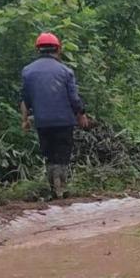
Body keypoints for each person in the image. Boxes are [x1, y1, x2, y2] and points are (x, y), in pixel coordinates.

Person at [19, 32, 90, 198]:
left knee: (49, 154)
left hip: (42, 121)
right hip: (64, 121)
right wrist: (81, 114)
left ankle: (52, 188)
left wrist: (24, 120)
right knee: (62, 154)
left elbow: (24, 99)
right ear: (58, 49)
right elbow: (74, 98)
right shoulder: (66, 71)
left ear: (38, 50)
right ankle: (62, 189)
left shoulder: (27, 71)